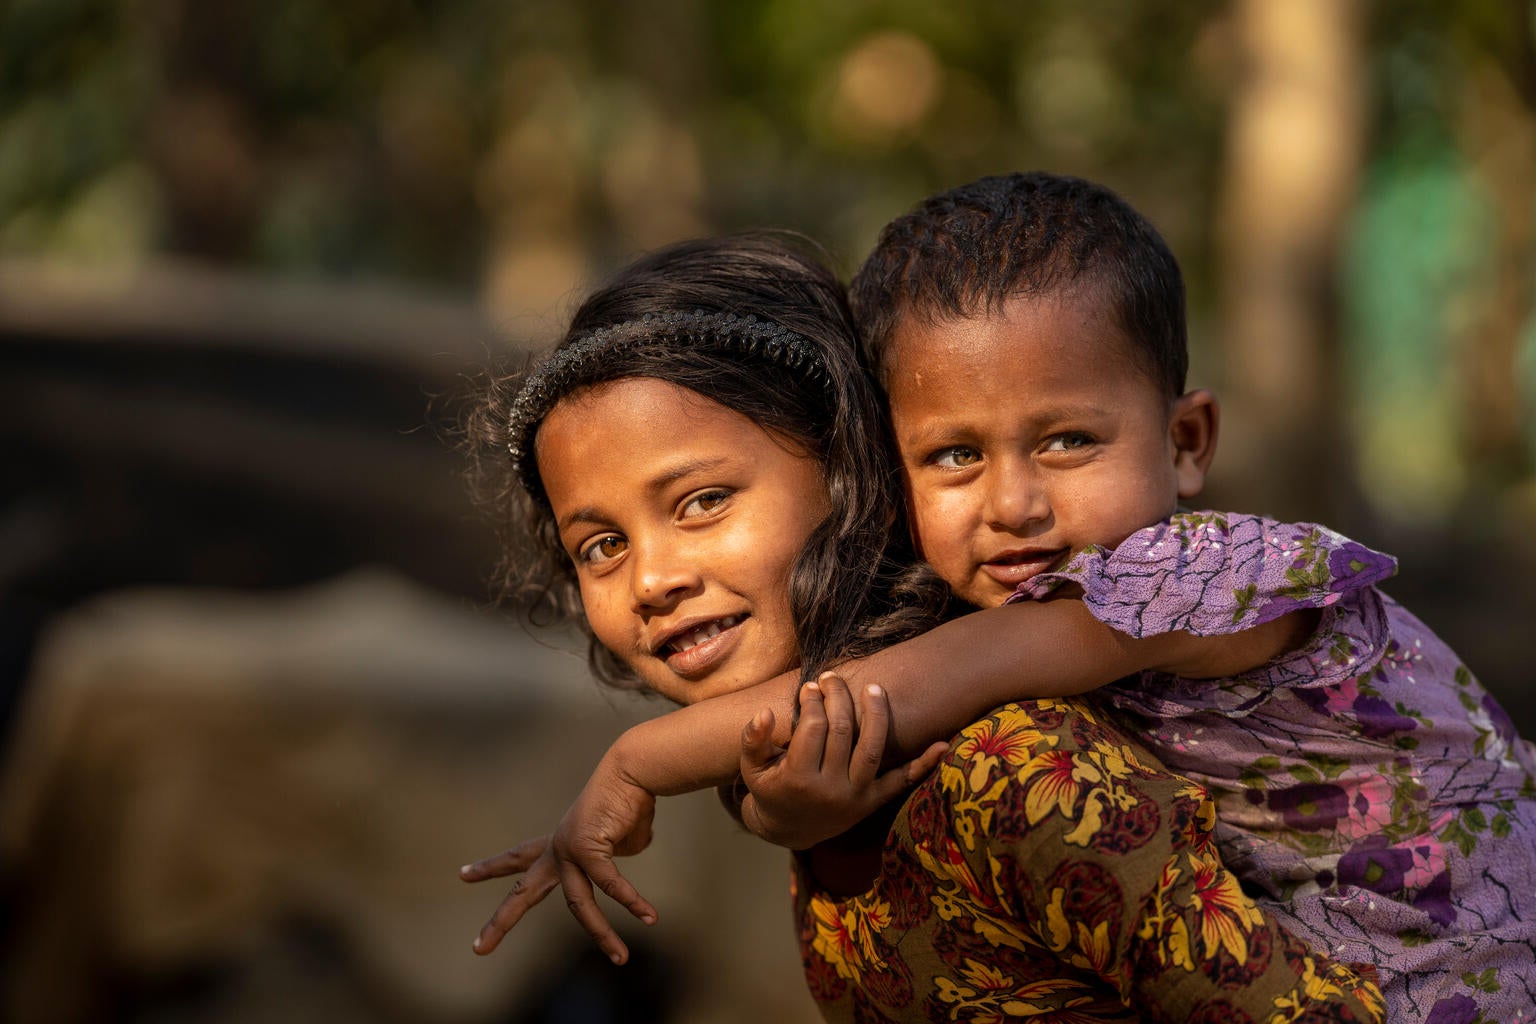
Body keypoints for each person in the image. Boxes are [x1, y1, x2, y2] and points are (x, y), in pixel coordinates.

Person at [470, 174, 1536, 1022]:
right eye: (600, 544)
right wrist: (786, 815)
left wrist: (635, 765)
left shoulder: (1114, 653)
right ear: (903, 472)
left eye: (703, 499)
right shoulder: (940, 736)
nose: (1013, 503)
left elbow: (923, 687)